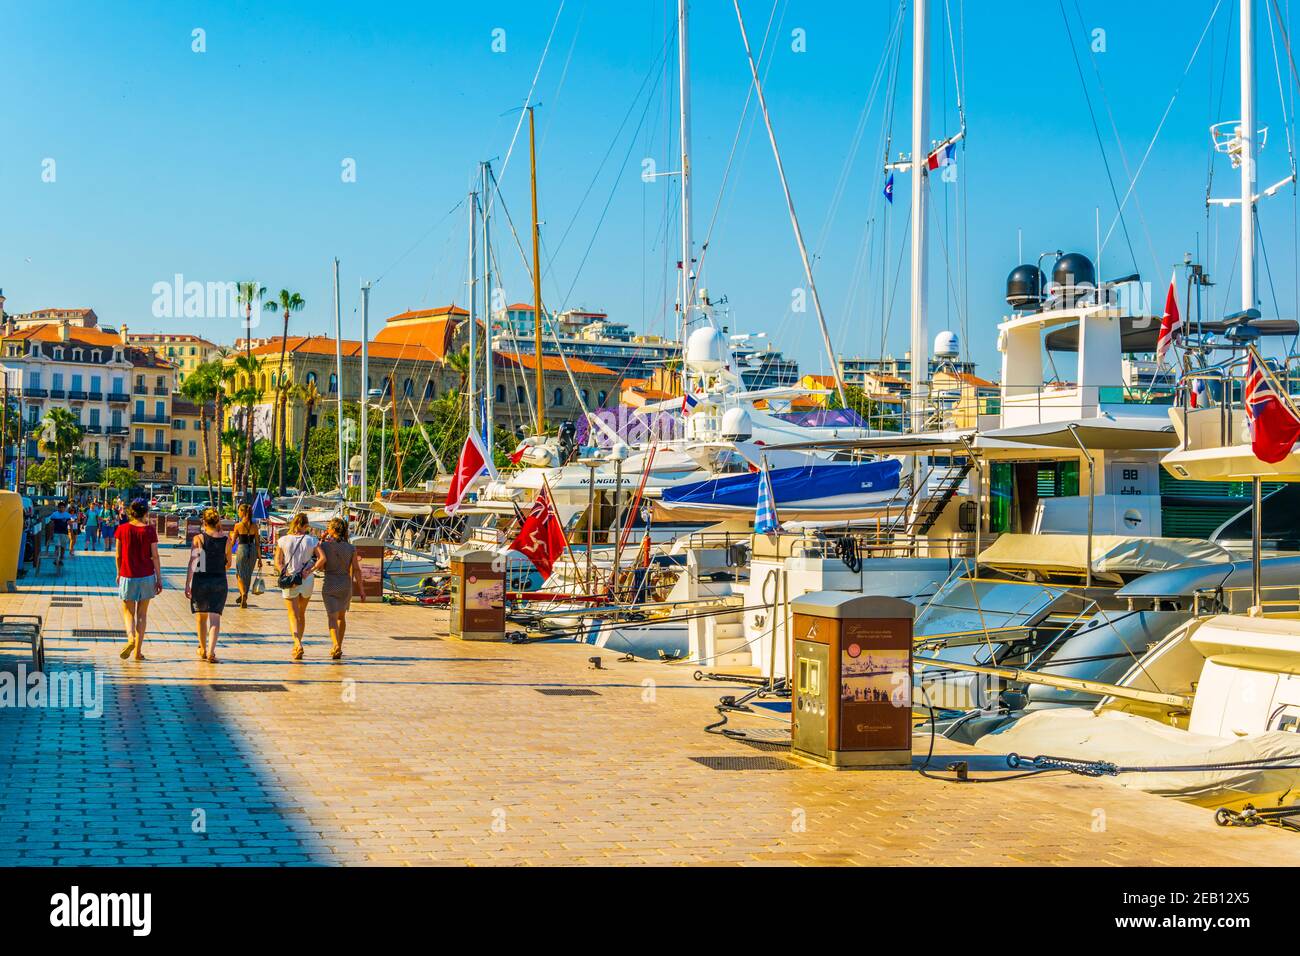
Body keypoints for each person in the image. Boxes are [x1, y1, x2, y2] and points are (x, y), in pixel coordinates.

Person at [311, 517, 366, 661]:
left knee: (332, 618)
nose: (327, 529)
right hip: (345, 585)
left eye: (329, 527)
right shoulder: (351, 548)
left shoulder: (324, 547)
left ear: (333, 530)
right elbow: (356, 569)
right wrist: (361, 590)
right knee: (341, 617)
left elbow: (321, 566)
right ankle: (339, 647)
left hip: (330, 583)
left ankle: (335, 645)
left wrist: (321, 540)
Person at [115, 498, 163, 661]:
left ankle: (130, 638)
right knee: (142, 613)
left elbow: (118, 555)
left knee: (128, 611)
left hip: (128, 575)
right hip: (147, 575)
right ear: (146, 512)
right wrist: (159, 578)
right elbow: (155, 556)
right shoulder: (150, 531)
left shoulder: (122, 529)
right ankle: (137, 652)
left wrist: (118, 573)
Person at [185, 508, 232, 663]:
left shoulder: (198, 538)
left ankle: (203, 649)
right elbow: (229, 564)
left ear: (203, 522)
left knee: (200, 618)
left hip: (201, 580)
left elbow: (194, 562)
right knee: (215, 619)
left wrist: (188, 583)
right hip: (219, 581)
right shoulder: (226, 540)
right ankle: (211, 652)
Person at [273, 513, 318, 661]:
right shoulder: (311, 540)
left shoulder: (283, 540)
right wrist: (310, 570)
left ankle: (297, 643)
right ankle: (298, 643)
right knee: (301, 614)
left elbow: (277, 562)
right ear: (306, 526)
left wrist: (283, 571)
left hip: (290, 579)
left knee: (292, 614)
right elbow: (322, 558)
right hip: (306, 580)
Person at [231, 503, 262, 609]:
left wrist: (226, 553)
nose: (238, 512)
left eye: (239, 510)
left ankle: (243, 593)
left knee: (239, 574)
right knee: (248, 575)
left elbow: (233, 542)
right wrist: (260, 558)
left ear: (243, 512)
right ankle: (244, 595)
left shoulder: (238, 526)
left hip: (242, 549)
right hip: (252, 550)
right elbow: (258, 543)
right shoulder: (254, 526)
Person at [46, 502, 72, 570]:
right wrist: (51, 534)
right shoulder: (54, 515)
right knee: (57, 546)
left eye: (63, 507)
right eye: (60, 507)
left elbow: (70, 524)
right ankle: (56, 559)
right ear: (58, 508)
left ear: (65, 508)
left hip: (64, 533)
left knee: (63, 547)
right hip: (56, 533)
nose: (62, 509)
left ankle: (61, 559)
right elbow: (51, 524)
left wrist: (71, 532)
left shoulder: (67, 515)